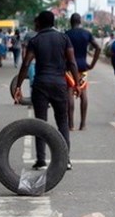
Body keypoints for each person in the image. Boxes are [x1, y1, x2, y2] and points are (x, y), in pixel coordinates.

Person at [14, 11, 79, 171]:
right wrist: (76, 84)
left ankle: (41, 160)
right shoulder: (64, 38)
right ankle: (65, 159)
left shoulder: (35, 40)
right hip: (59, 84)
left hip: (41, 84)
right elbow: (72, 62)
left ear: (40, 23)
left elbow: (26, 64)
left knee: (40, 123)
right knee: (62, 122)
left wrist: (18, 86)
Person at [65, 13, 101, 131]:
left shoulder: (66, 34)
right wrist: (92, 64)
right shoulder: (86, 33)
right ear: (80, 21)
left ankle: (70, 124)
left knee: (70, 92)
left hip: (70, 67)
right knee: (83, 93)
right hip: (82, 67)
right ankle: (83, 124)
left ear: (71, 22)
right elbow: (98, 48)